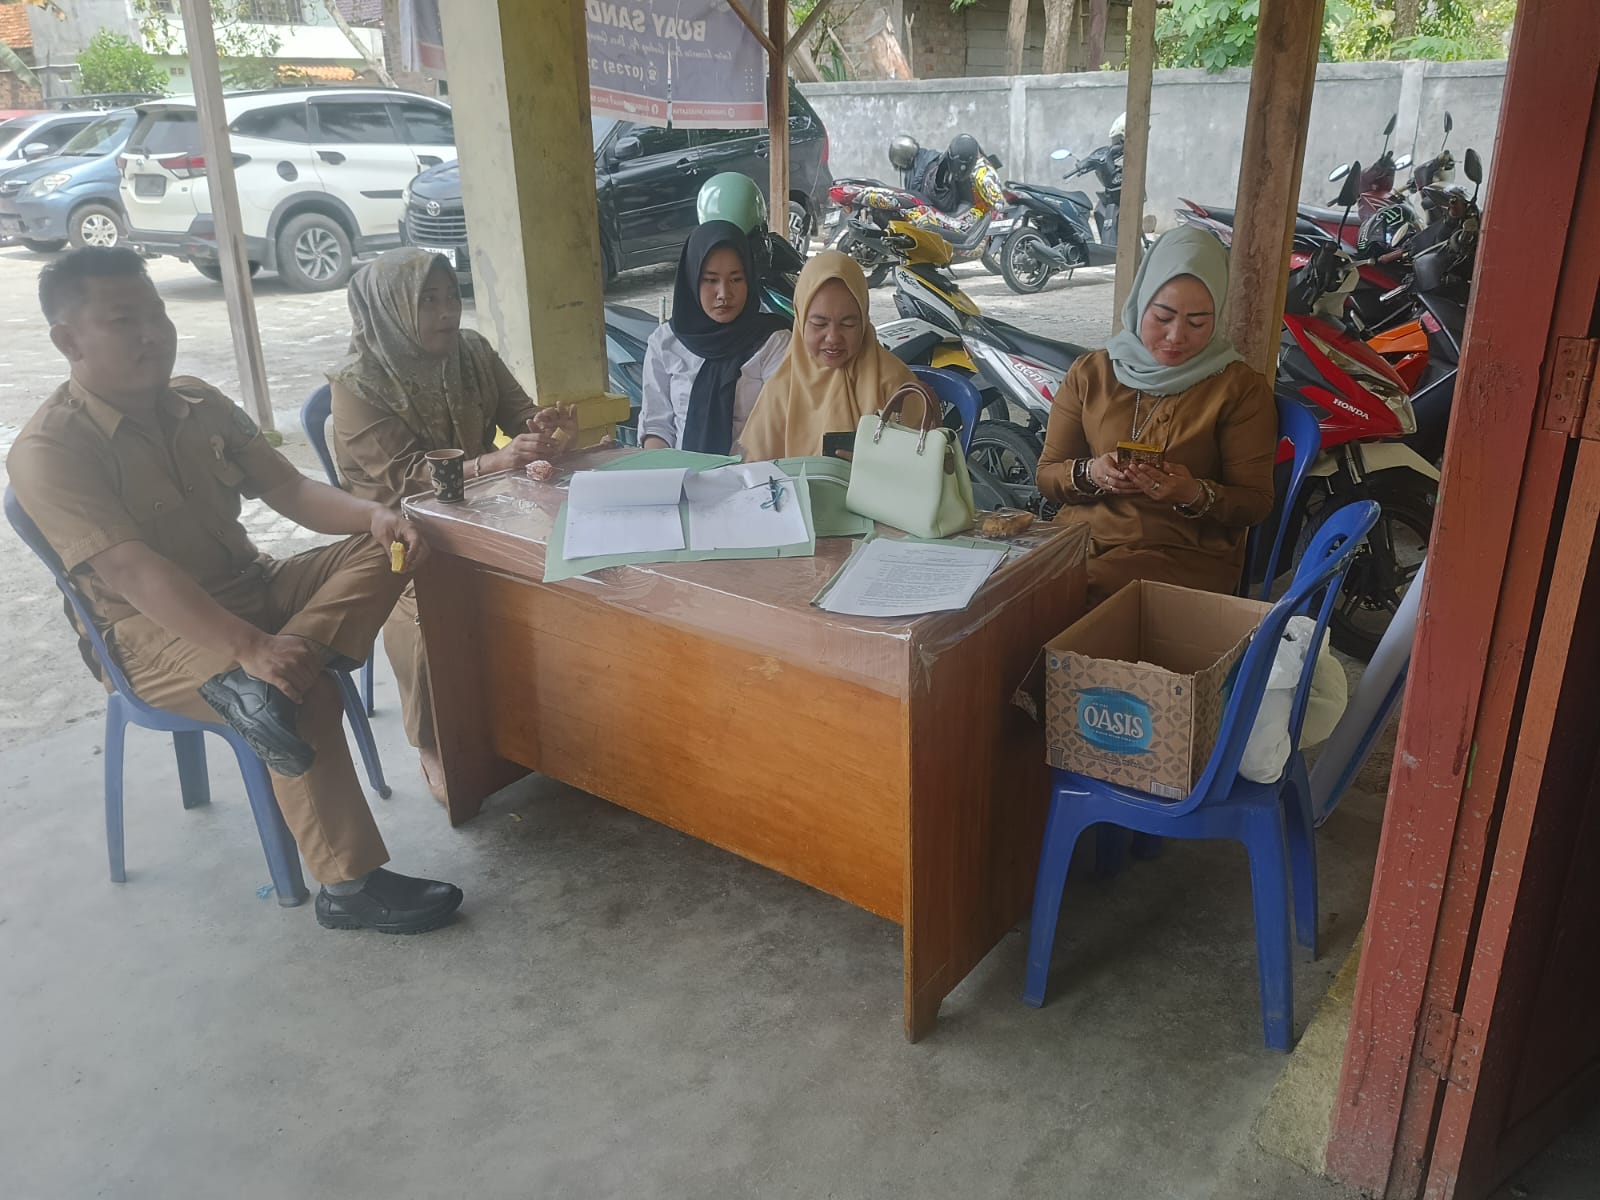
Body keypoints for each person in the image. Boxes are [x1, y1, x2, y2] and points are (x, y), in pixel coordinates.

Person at [8, 247, 463, 934]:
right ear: (69, 340)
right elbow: (131, 571)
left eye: (157, 313)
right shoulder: (50, 450)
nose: (152, 334)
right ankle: (349, 887)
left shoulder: (199, 401)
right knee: (299, 690)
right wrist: (250, 647)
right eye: (124, 320)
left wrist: (372, 514)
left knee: (399, 542)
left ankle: (274, 680)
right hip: (151, 632)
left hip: (253, 584)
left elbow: (291, 489)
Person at [327, 248, 574, 802]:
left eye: (450, 296)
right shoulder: (357, 384)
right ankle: (432, 739)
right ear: (391, 308)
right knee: (430, 602)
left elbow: (519, 413)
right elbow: (403, 477)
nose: (446, 312)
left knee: (566, 561)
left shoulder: (472, 352)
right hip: (393, 529)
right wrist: (493, 462)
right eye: (427, 301)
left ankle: (538, 711)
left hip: (483, 510)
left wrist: (547, 428)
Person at [1036, 226, 1277, 606]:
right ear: (1140, 303)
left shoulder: (1238, 389)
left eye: (1198, 322)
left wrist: (1192, 493)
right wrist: (1091, 473)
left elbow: (1256, 503)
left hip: (1180, 550)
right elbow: (1047, 475)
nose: (1176, 336)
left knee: (1063, 598)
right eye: (1163, 317)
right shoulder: (1092, 373)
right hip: (1083, 537)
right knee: (1005, 590)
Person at [739, 250, 922, 461]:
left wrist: (873, 466)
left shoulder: (893, 382)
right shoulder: (784, 386)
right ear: (801, 321)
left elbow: (920, 464)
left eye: (848, 324)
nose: (833, 338)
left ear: (864, 320)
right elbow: (754, 465)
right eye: (819, 324)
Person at [638, 221, 790, 455]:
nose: (724, 294)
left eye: (736, 279)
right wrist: (666, 471)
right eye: (710, 280)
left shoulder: (773, 342)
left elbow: (781, 424)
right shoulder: (665, 342)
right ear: (692, 278)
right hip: (681, 472)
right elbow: (657, 426)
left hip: (754, 472)